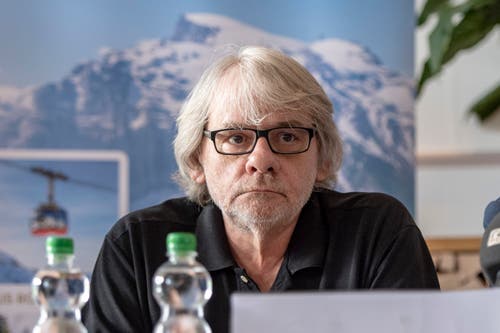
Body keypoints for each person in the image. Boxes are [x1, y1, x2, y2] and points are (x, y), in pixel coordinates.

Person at [82, 46, 439, 333]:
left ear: (323, 160)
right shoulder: (137, 247)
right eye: (235, 138)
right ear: (196, 160)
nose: (261, 160)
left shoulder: (377, 233)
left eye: (287, 136)